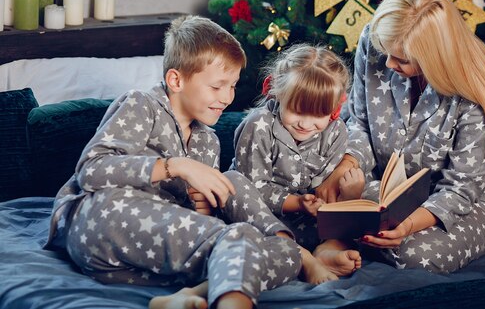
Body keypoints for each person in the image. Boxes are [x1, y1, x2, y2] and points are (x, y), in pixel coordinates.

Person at [45, 16, 333, 309]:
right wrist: (177, 165)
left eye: (232, 86)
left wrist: (202, 208)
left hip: (141, 262)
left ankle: (194, 293)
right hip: (102, 223)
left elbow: (183, 223)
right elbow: (91, 171)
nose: (227, 98)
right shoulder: (141, 105)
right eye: (217, 86)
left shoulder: (207, 140)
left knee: (281, 251)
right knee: (236, 238)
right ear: (176, 80)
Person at [316, 0, 485, 273]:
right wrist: (344, 166)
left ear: (435, 58)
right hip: (387, 193)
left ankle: (338, 242)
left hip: (467, 206)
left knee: (414, 256)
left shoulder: (478, 91)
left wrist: (407, 226)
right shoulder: (378, 39)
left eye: (402, 59)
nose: (386, 63)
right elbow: (359, 123)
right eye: (385, 51)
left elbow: (461, 190)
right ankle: (341, 237)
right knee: (318, 196)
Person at [230, 44, 363, 277]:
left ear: (334, 108)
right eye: (297, 111)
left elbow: (323, 188)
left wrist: (347, 195)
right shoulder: (259, 125)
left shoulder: (336, 131)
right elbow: (253, 188)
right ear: (278, 93)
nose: (305, 124)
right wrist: (298, 203)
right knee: (233, 187)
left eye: (319, 115)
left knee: (370, 200)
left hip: (305, 219)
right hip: (260, 215)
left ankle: (325, 251)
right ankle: (302, 257)